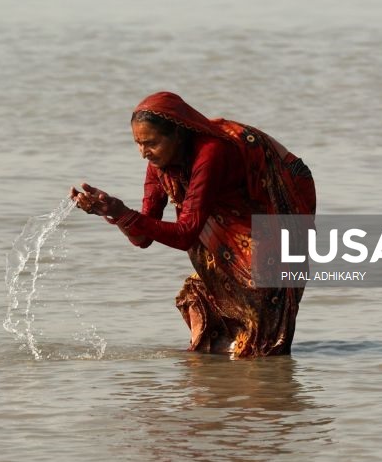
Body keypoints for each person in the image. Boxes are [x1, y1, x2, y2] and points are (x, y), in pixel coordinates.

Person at [70, 92, 316, 357]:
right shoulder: (159, 165)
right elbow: (142, 238)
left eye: (151, 143)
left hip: (272, 206)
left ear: (178, 134)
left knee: (266, 292)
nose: (143, 153)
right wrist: (114, 214)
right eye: (138, 144)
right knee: (203, 299)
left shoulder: (211, 153)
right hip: (231, 208)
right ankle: (224, 381)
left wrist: (123, 213)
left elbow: (186, 234)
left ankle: (266, 382)